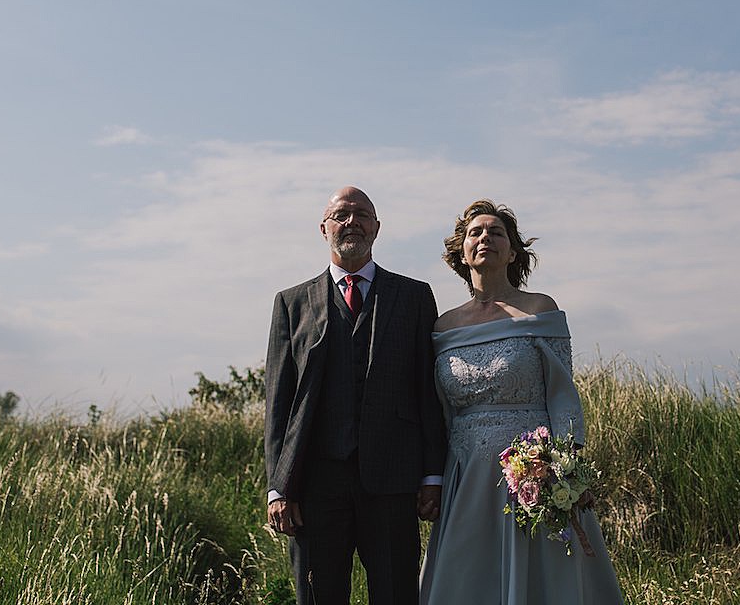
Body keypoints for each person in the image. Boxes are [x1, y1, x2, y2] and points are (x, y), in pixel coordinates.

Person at [420, 199, 625, 604]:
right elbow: (438, 409)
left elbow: (564, 395)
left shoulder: (539, 309)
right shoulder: (443, 326)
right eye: (475, 232)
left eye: (497, 232)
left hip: (533, 473)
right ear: (461, 252)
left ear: (513, 251)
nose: (485, 238)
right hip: (466, 475)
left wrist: (565, 469)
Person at [265, 185, 448, 605]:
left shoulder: (414, 296)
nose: (352, 222)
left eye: (362, 214)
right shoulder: (290, 303)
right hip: (314, 483)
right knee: (318, 596)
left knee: (397, 594)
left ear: (377, 227)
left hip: (393, 481)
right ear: (324, 228)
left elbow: (428, 391)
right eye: (342, 214)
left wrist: (432, 475)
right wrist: (279, 487)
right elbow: (279, 404)